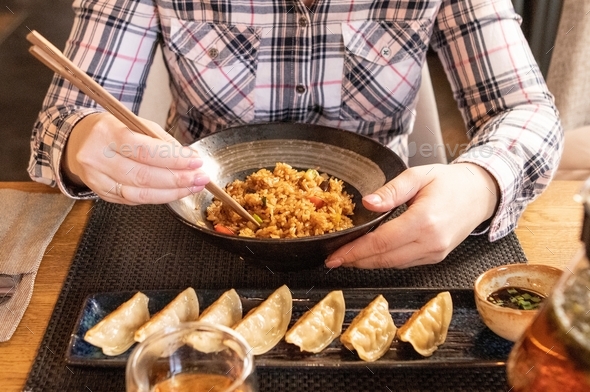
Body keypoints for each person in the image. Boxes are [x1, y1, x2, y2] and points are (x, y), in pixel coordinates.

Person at [29, 0, 563, 269]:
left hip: (384, 229)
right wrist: (84, 140)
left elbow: (526, 110)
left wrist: (480, 182)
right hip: (197, 221)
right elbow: (65, 116)